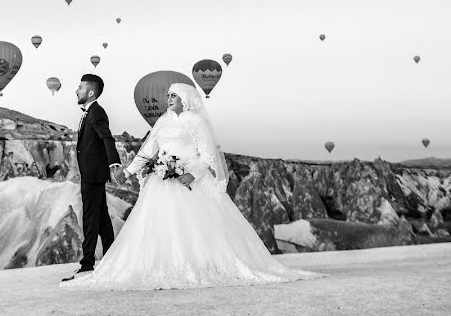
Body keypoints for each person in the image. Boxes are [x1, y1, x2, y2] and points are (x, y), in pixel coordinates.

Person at [60, 83, 325, 290]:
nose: (167, 100)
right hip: (161, 181)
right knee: (156, 228)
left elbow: (208, 157)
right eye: (167, 97)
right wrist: (128, 173)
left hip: (189, 181)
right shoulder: (162, 122)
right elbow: (147, 151)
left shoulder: (197, 122)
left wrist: (193, 175)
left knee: (195, 229)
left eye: (172, 97)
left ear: (185, 99)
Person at [61, 74, 125, 282]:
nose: (76, 90)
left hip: (93, 175)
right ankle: (110, 259)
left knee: (90, 218)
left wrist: (114, 164)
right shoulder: (89, 113)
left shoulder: (96, 112)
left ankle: (87, 264)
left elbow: (107, 138)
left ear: (90, 92)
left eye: (79, 87)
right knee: (102, 219)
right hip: (92, 174)